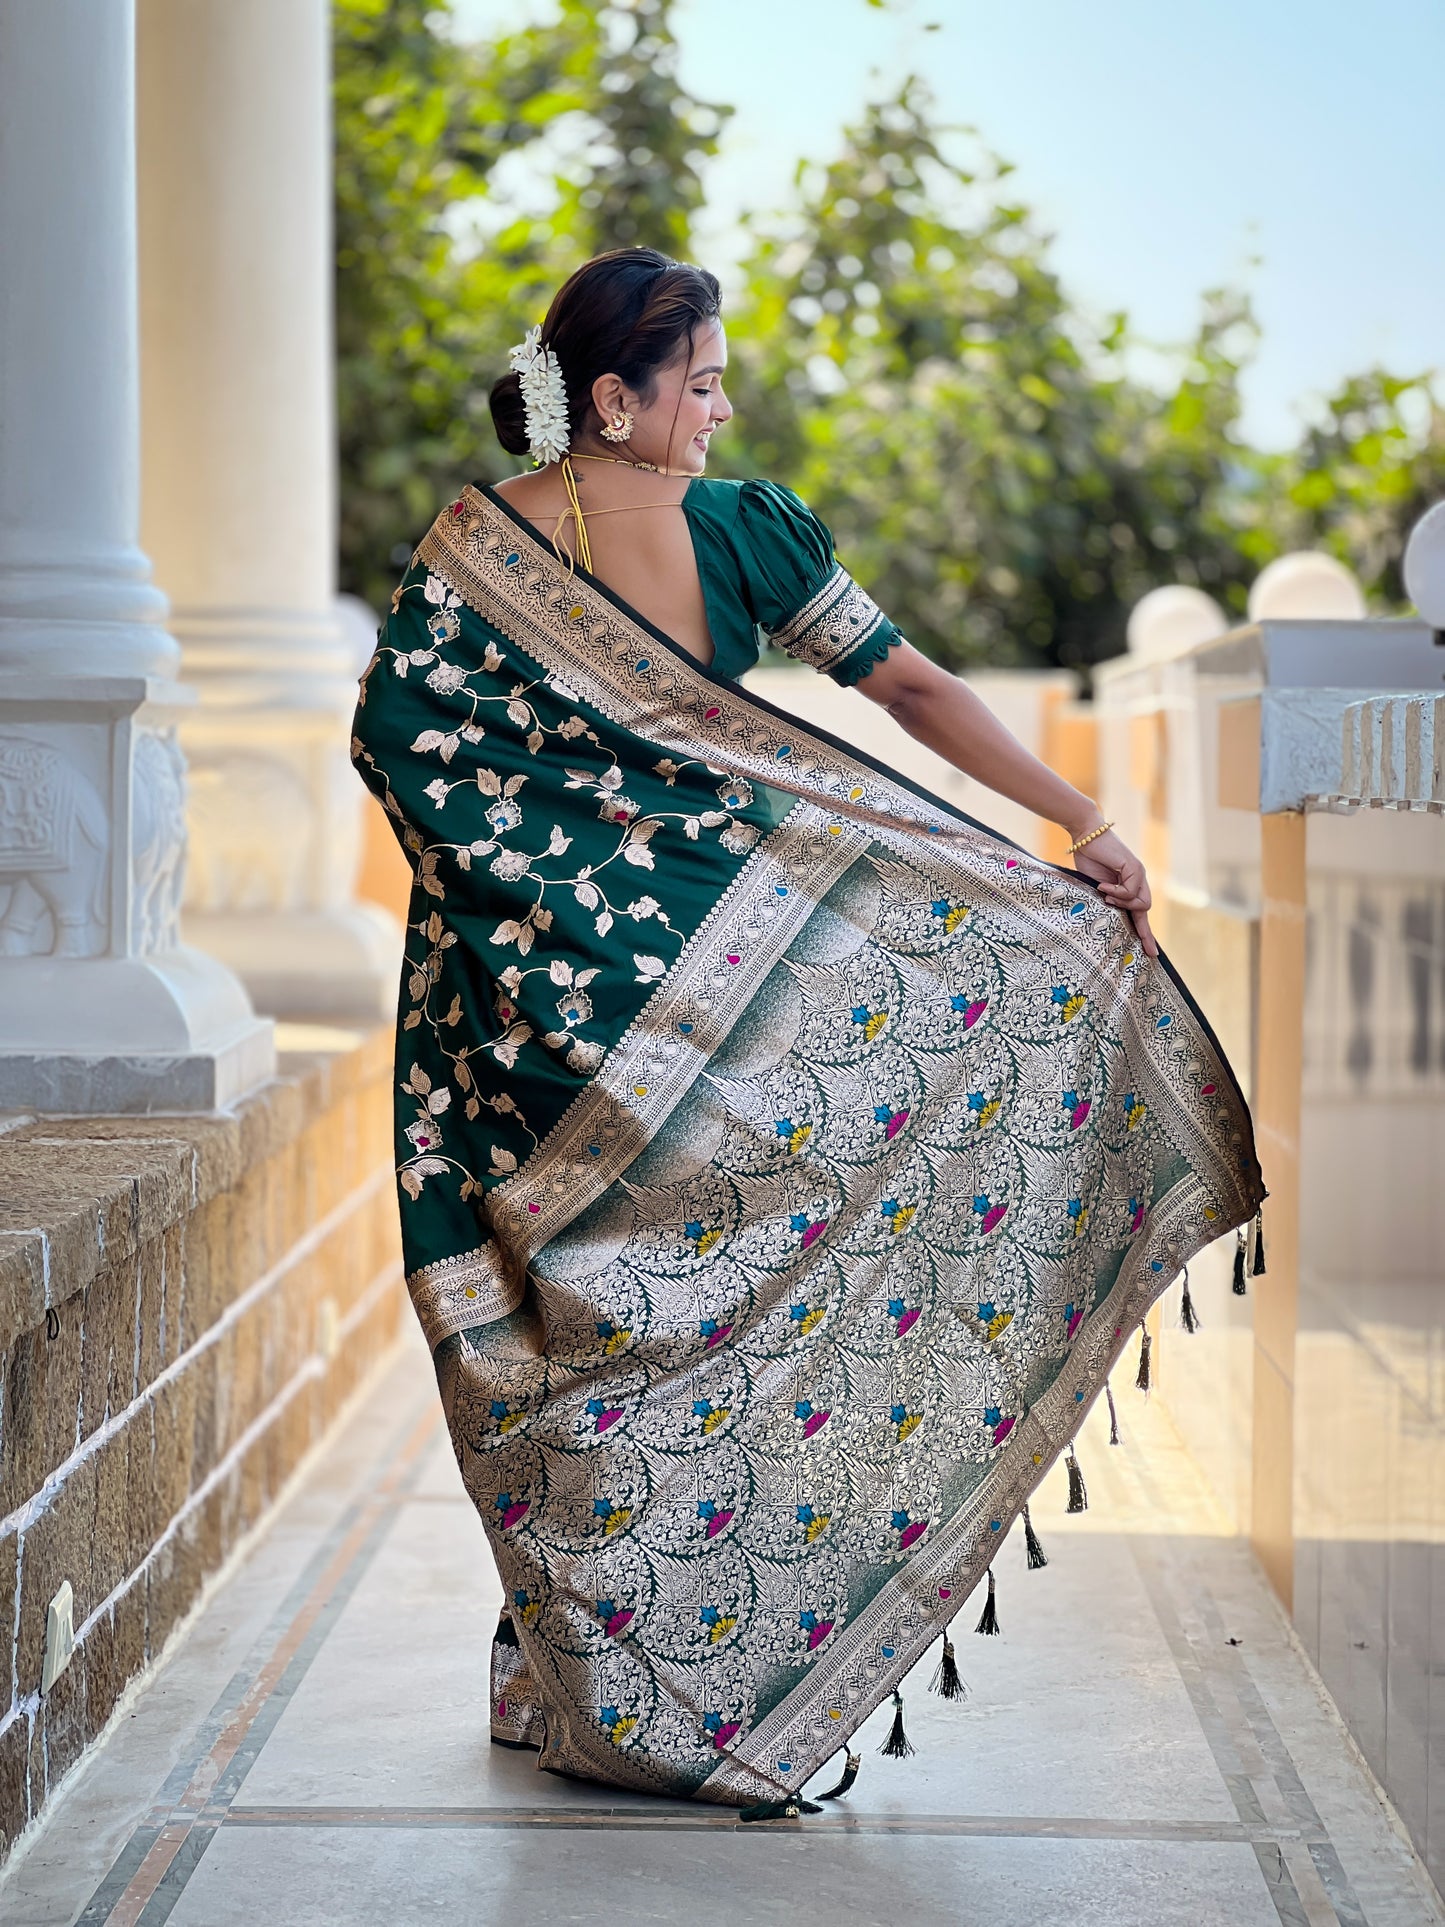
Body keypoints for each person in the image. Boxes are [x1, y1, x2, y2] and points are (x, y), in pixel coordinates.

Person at [351, 246, 1263, 1817]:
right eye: (696, 383)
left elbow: (396, 738)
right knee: (723, 1315)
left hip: (547, 1020)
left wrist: (546, 903)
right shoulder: (735, 530)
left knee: (580, 1330)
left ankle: (562, 1673)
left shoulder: (466, 547)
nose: (720, 409)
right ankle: (678, 1676)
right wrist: (1075, 824)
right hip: (741, 993)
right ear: (616, 399)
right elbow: (906, 689)